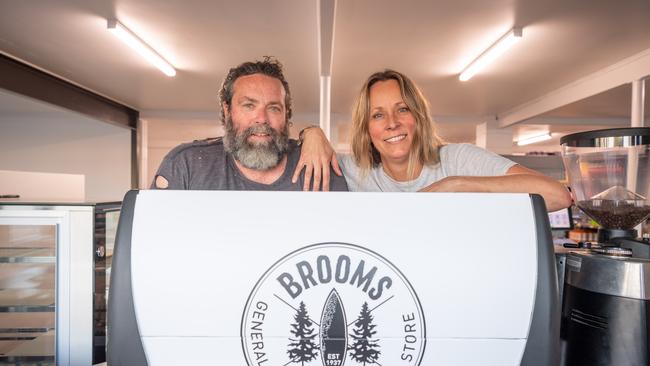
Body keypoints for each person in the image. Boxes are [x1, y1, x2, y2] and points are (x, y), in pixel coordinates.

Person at [293, 69, 571, 211]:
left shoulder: (458, 160)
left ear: (419, 116)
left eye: (402, 109)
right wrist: (311, 132)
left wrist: (456, 185)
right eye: (378, 115)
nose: (392, 123)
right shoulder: (353, 170)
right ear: (366, 129)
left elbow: (558, 196)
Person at [152, 57, 347, 191]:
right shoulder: (187, 165)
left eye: (273, 108)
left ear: (286, 114)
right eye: (248, 105)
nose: (261, 118)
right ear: (227, 110)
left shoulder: (319, 168)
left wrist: (313, 131)